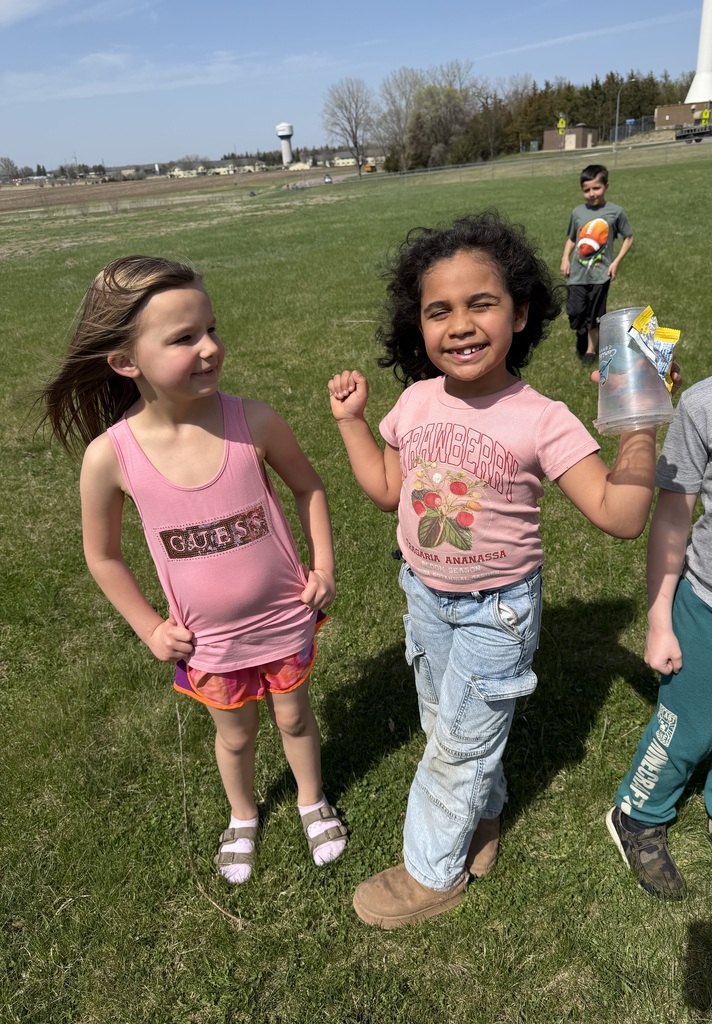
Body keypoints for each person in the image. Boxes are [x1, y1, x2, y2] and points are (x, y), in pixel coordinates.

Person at [328, 211, 659, 928]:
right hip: (424, 597)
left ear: (522, 311)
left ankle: (430, 873)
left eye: (481, 303)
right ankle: (483, 815)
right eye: (438, 310)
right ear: (418, 326)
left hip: (497, 612)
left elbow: (619, 514)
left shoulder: (541, 417)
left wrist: (639, 424)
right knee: (444, 722)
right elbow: (388, 490)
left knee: (458, 747)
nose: (460, 324)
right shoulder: (416, 400)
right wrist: (355, 424)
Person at [40, 256, 347, 884]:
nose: (209, 348)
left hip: (283, 617)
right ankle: (242, 814)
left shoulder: (252, 420)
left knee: (294, 716)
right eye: (183, 338)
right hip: (209, 640)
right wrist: (150, 627)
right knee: (234, 736)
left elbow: (309, 488)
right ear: (126, 363)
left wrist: (323, 565)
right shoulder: (109, 458)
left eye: (211, 329)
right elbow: (102, 555)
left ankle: (311, 799)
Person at [607, 212, 712, 902]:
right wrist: (660, 616)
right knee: (687, 726)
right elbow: (671, 518)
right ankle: (637, 815)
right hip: (710, 607)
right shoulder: (709, 406)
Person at [560, 163, 633, 368]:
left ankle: (591, 350)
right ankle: (580, 332)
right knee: (575, 312)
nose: (591, 194)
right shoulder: (577, 213)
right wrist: (565, 258)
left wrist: (616, 262)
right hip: (577, 273)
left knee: (596, 315)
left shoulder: (615, 212)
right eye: (586, 190)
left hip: (601, 274)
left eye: (596, 188)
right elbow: (572, 239)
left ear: (606, 186)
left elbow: (628, 237)